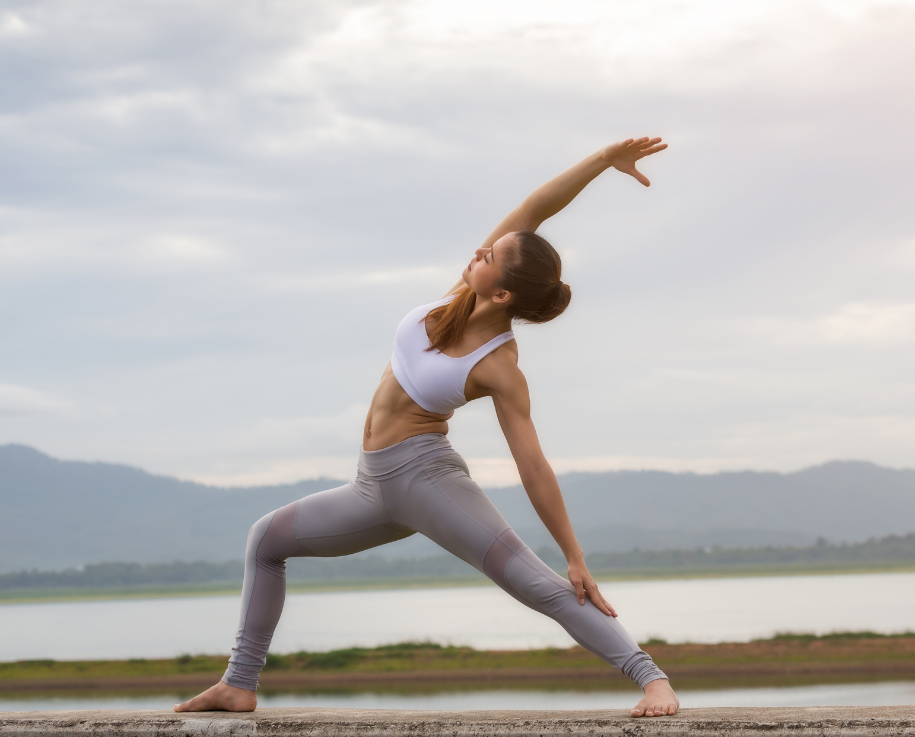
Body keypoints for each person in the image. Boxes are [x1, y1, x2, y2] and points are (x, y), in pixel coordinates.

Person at [174, 137, 679, 718]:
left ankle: (652, 680)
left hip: (427, 483)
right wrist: (600, 161)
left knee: (538, 585)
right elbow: (537, 207)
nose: (480, 250)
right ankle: (239, 684)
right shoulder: (459, 298)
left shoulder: (499, 366)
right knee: (265, 540)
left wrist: (575, 555)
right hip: (371, 488)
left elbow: (533, 465)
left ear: (504, 292)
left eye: (490, 255)